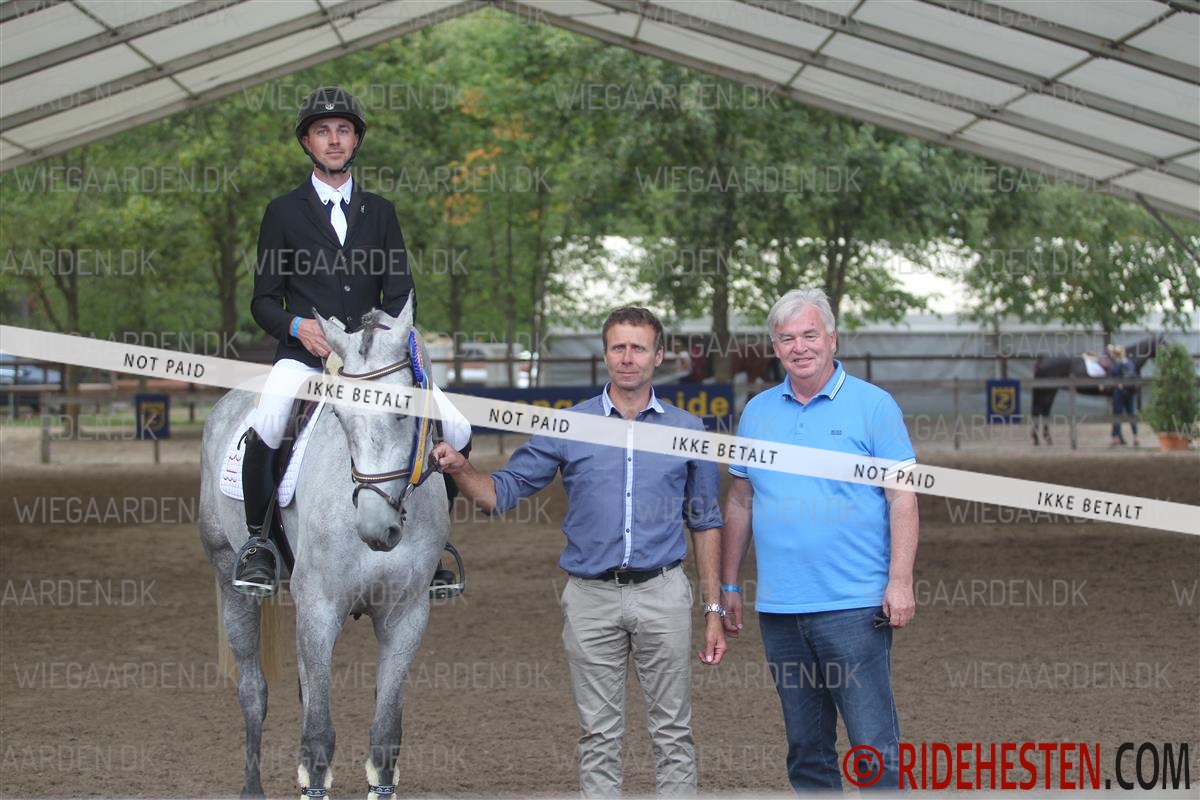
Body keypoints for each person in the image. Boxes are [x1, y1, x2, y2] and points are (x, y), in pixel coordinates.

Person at [433, 307, 726, 797]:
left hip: (664, 593)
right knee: (598, 736)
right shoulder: (568, 425)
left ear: (658, 356)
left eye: (638, 348)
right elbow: (499, 493)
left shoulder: (688, 429)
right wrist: (462, 468)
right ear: (605, 355)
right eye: (618, 347)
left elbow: (706, 521)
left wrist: (714, 609)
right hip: (591, 599)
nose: (627, 357)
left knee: (674, 733)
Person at [234, 86, 469, 596]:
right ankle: (259, 543)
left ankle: (433, 547)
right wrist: (297, 326)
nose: (334, 139)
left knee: (457, 425)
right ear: (307, 142)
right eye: (323, 131)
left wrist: (380, 340)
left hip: (373, 362)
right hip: (308, 358)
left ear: (356, 139)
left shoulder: (379, 211)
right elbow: (263, 301)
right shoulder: (282, 212)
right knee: (268, 420)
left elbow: (400, 292)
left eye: (343, 130)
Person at [719, 288, 919, 793]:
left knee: (873, 746)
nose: (799, 347)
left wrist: (900, 580)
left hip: (855, 607)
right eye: (787, 338)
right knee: (806, 750)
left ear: (832, 338)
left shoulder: (874, 406)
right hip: (781, 609)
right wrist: (730, 585)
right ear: (775, 347)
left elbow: (902, 497)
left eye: (810, 335)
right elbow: (740, 501)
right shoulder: (757, 412)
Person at [1108, 345, 1140, 447]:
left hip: (1123, 392)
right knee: (1125, 414)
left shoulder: (1120, 364)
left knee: (1124, 414)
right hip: (1124, 392)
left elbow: (1112, 375)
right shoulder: (1125, 363)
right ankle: (1126, 437)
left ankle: (1127, 437)